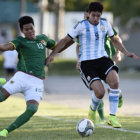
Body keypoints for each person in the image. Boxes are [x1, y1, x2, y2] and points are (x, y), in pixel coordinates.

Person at [46, 1, 139, 128]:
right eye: (93, 15)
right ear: (88, 14)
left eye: (98, 16)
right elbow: (65, 41)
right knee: (100, 92)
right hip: (87, 63)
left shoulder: (105, 23)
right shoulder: (80, 26)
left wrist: (125, 52)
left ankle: (112, 118)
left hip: (102, 59)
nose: (95, 18)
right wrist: (52, 54)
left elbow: (115, 39)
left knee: (115, 81)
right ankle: (92, 110)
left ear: (101, 15)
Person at [0, 16, 57, 137]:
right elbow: (4, 47)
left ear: (34, 27)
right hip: (22, 77)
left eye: (31, 28)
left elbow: (57, 46)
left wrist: (52, 55)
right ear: (22, 31)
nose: (30, 31)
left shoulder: (43, 39)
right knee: (1, 98)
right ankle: (2, 83)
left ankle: (5, 132)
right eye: (26, 30)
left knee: (32, 109)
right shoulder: (20, 41)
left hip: (37, 82)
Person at [76, 8, 123, 125]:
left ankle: (115, 105)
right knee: (98, 91)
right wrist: (79, 60)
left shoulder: (103, 25)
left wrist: (118, 53)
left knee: (113, 85)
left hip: (106, 60)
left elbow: (117, 39)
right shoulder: (83, 30)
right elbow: (78, 46)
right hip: (90, 63)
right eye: (86, 18)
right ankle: (101, 118)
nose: (89, 20)